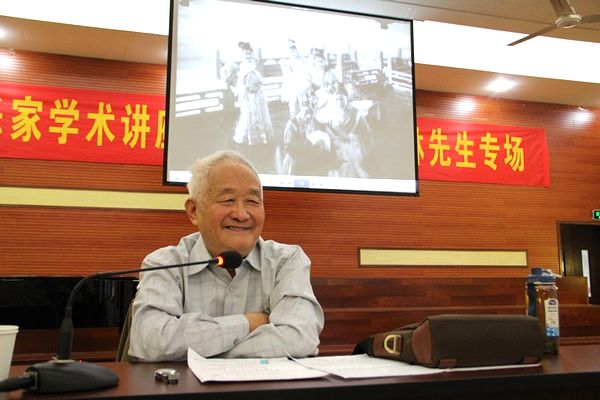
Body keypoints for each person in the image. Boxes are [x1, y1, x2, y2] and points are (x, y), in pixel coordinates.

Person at [128, 151, 324, 361]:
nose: (241, 214)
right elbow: (150, 341)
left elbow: (298, 338)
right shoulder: (164, 264)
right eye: (228, 200)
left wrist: (202, 353)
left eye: (252, 201)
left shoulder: (287, 261)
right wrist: (248, 323)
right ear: (193, 211)